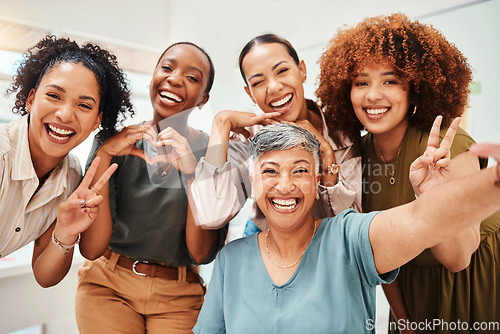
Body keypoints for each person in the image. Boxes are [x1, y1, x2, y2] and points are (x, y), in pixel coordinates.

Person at [193, 123, 500, 334]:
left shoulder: (349, 239)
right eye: (270, 172)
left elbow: (420, 221)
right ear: (253, 182)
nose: (284, 186)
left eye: (299, 170)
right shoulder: (230, 260)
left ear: (317, 183)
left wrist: (471, 186)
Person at [316, 13, 500, 332]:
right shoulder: (357, 156)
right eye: (361, 82)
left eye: (390, 81)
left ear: (414, 89)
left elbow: (458, 259)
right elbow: (379, 250)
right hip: (412, 298)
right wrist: (404, 322)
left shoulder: (447, 151)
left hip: (473, 290)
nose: (373, 95)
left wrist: (433, 197)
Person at [75, 42, 227, 333]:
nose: (175, 79)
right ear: (153, 78)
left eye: (192, 77)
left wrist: (195, 173)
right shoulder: (113, 142)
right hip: (108, 287)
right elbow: (92, 248)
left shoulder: (213, 153)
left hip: (180, 296)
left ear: (203, 98)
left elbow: (201, 253)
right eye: (167, 68)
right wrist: (106, 154)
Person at [190, 34, 361, 233]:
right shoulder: (248, 137)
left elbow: (349, 225)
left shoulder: (342, 131)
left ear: (302, 71)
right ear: (249, 93)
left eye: (282, 71)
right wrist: (221, 123)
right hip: (267, 240)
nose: (274, 87)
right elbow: (210, 215)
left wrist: (326, 152)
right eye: (258, 82)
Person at [0, 35, 132, 287]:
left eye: (84, 105)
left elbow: (45, 276)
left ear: (96, 121)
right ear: (31, 99)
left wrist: (65, 233)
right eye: (54, 96)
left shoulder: (71, 173)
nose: (65, 114)